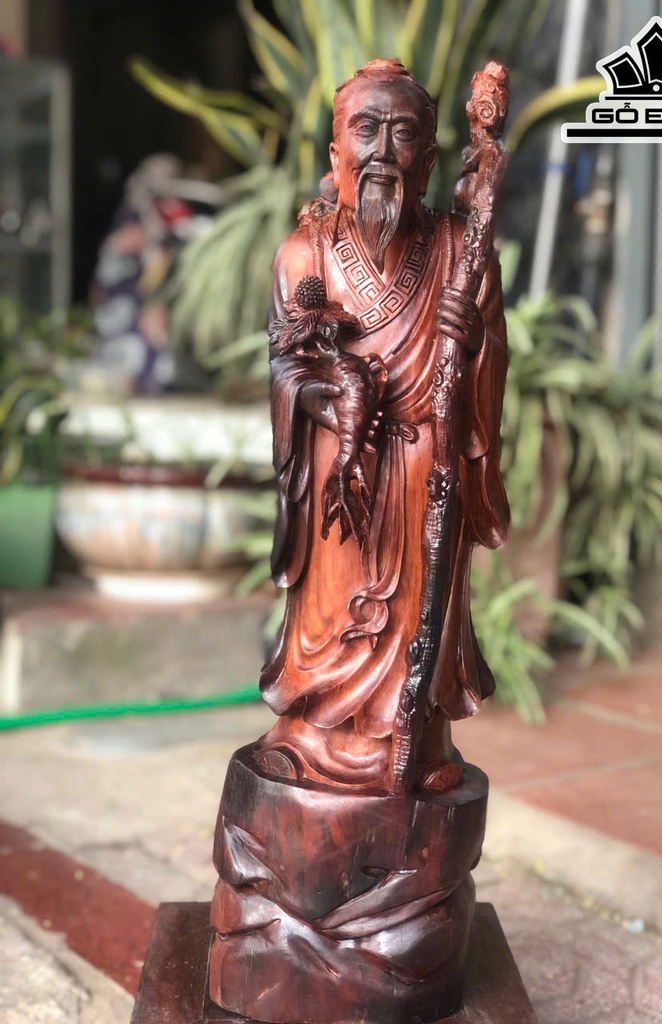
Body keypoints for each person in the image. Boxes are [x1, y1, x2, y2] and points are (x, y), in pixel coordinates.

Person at [254, 59, 509, 792]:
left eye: (403, 134)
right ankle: (312, 733)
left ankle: (414, 735)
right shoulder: (303, 255)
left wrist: (474, 340)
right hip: (342, 464)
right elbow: (287, 365)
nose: (382, 152)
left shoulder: (462, 252)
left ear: (428, 159)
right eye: (365, 130)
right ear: (336, 152)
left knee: (417, 616)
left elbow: (491, 369)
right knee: (331, 611)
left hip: (428, 463)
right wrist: (327, 404)